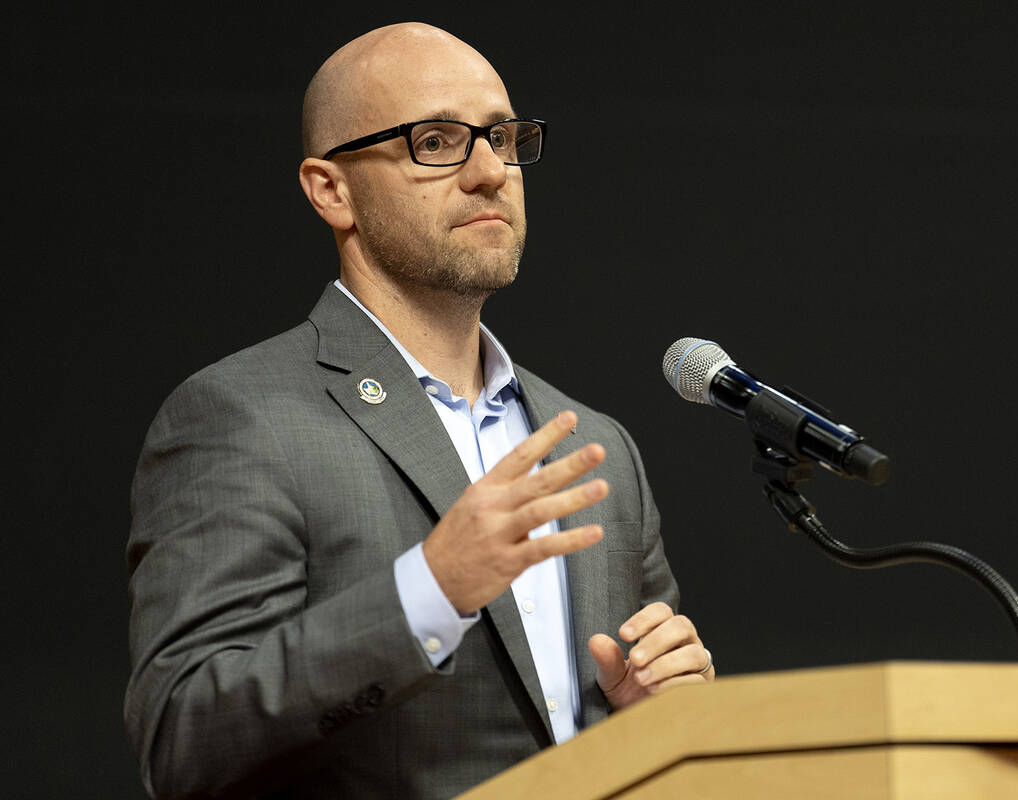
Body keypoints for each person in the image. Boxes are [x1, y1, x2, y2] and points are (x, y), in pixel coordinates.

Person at [125, 22, 713, 799]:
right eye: (436, 141)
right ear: (331, 189)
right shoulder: (242, 416)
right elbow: (185, 737)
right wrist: (429, 590)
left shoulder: (597, 444)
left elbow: (648, 737)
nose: (488, 172)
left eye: (502, 138)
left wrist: (665, 716)